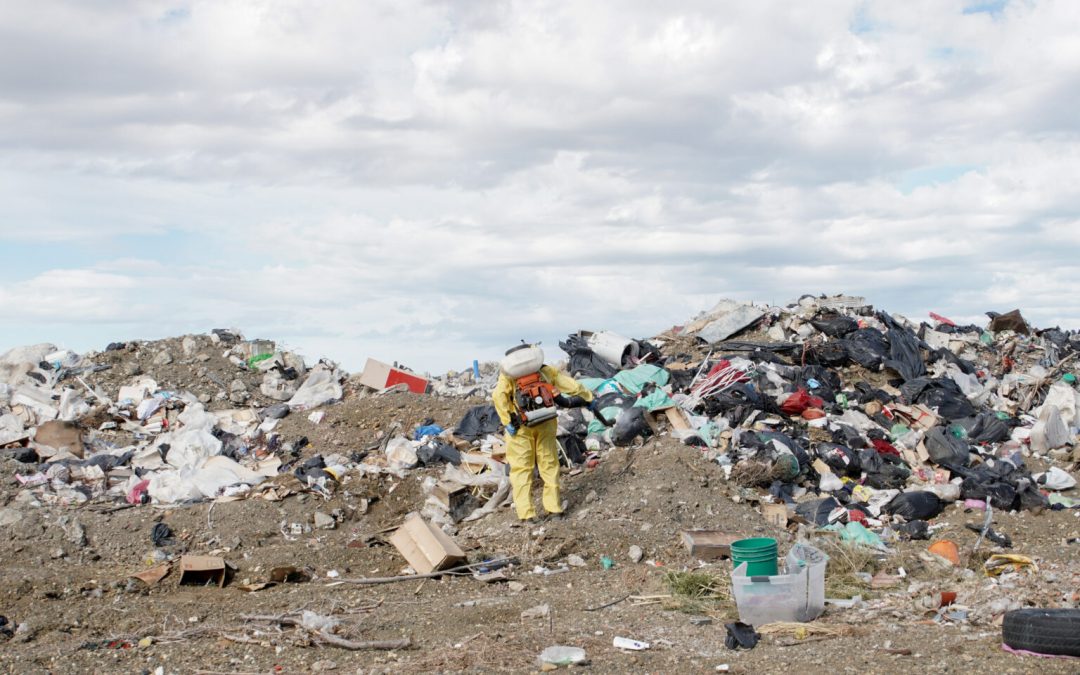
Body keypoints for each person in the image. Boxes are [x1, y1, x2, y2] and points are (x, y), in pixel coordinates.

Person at [492, 344, 594, 522]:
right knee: (549, 463)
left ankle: (526, 515)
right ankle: (554, 510)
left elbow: (499, 397)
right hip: (545, 421)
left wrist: (508, 421)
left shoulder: (508, 376)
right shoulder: (544, 370)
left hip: (520, 427)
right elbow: (571, 385)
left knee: (521, 469)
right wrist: (588, 398)